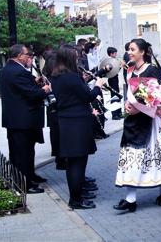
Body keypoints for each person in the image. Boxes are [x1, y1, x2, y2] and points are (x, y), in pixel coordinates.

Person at [114, 39, 161, 213]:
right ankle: (130, 199)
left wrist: (141, 109)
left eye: (132, 49)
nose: (129, 52)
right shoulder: (129, 71)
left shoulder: (151, 70)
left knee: (156, 154)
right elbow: (130, 95)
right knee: (132, 157)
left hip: (151, 120)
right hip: (133, 121)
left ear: (143, 52)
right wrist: (128, 106)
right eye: (128, 49)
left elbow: (158, 96)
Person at [51, 44, 105, 209]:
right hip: (77, 123)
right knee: (77, 163)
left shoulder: (58, 75)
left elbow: (74, 92)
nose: (78, 58)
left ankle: (78, 195)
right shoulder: (71, 77)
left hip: (67, 121)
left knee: (74, 162)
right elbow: (87, 96)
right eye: (75, 56)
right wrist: (98, 85)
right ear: (69, 58)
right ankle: (75, 200)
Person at [0, 44, 51, 194]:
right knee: (22, 153)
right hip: (22, 120)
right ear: (18, 56)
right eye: (28, 55)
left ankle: (29, 175)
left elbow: (21, 89)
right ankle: (24, 184)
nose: (30, 57)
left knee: (26, 151)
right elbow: (33, 94)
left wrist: (34, 83)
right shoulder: (17, 71)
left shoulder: (10, 69)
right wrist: (45, 90)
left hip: (19, 119)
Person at [107, 47, 123, 120]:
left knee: (118, 95)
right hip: (112, 79)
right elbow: (113, 71)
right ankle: (114, 114)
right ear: (111, 54)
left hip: (115, 79)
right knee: (114, 96)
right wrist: (120, 67)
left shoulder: (114, 60)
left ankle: (119, 113)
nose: (116, 54)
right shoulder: (109, 62)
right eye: (115, 53)